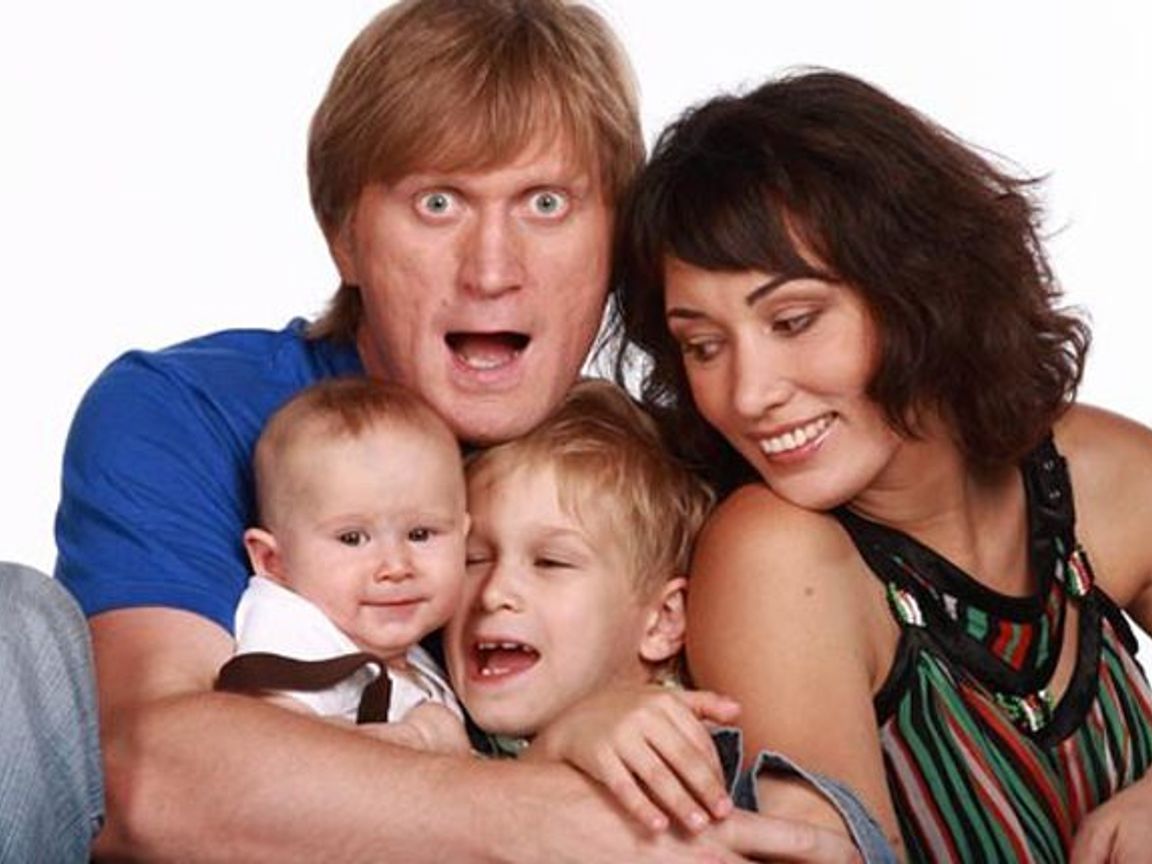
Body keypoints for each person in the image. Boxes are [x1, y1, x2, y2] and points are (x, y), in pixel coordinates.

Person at [47, 1, 861, 860]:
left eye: (546, 203)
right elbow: (142, 779)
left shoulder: (669, 455)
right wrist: (544, 816)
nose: (492, 271)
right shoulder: (187, 412)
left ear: (614, 243)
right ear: (344, 236)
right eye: (438, 203)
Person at [614, 68, 1152, 862]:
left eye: (793, 320)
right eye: (703, 345)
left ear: (919, 288)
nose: (749, 394)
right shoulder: (776, 556)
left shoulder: (1089, 470)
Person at [446, 378, 895, 861]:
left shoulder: (701, 764)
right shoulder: (429, 742)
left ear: (662, 621)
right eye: (472, 559)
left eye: (551, 563)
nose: (494, 593)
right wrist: (546, 756)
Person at [214, 377, 469, 753]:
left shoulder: (413, 654)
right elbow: (270, 752)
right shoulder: (292, 632)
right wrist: (421, 737)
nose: (396, 566)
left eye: (420, 534)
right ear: (273, 561)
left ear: (465, 536)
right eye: (352, 538)